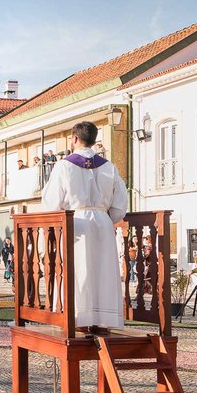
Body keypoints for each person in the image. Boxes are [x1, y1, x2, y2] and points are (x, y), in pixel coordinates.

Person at [40, 120, 129, 330]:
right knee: (103, 271)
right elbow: (119, 205)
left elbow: (51, 203)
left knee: (78, 270)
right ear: (94, 139)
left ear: (74, 139)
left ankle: (77, 319)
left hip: (75, 223)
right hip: (103, 223)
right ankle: (104, 320)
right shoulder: (109, 166)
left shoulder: (63, 166)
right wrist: (107, 218)